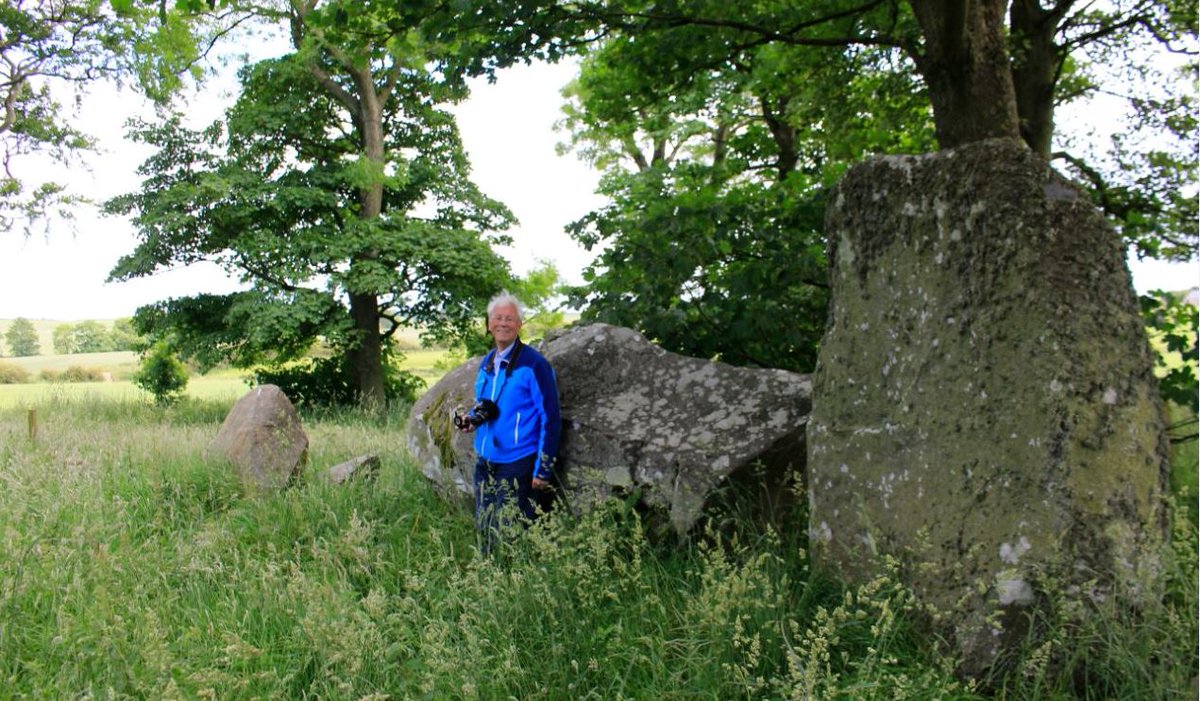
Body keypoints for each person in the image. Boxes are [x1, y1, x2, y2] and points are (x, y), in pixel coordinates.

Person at [456, 291, 561, 552]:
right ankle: (489, 579)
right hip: (486, 460)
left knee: (514, 533)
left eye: (509, 319)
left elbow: (551, 418)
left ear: (519, 325)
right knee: (485, 526)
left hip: (518, 463)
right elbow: (485, 404)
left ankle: (515, 584)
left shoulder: (534, 365)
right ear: (489, 324)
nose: (503, 323)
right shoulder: (487, 362)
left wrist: (543, 469)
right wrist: (472, 420)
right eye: (498, 318)